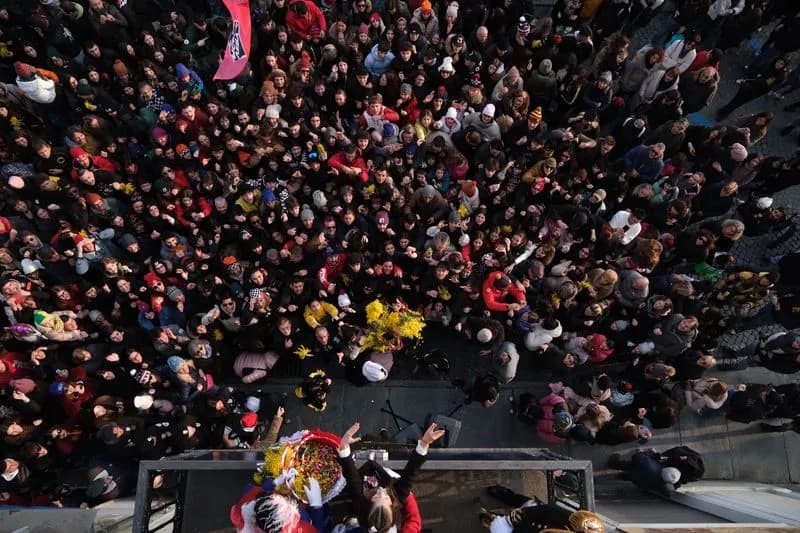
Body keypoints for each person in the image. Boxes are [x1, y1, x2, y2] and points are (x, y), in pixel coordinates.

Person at [337, 421, 445, 533]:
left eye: (376, 496)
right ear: (392, 506)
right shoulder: (398, 496)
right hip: (387, 479)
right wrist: (424, 443)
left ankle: (384, 435)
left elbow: (352, 478)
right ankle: (384, 435)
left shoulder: (361, 502)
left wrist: (344, 447)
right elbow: (411, 472)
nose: (381, 490)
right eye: (386, 497)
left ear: (369, 504)